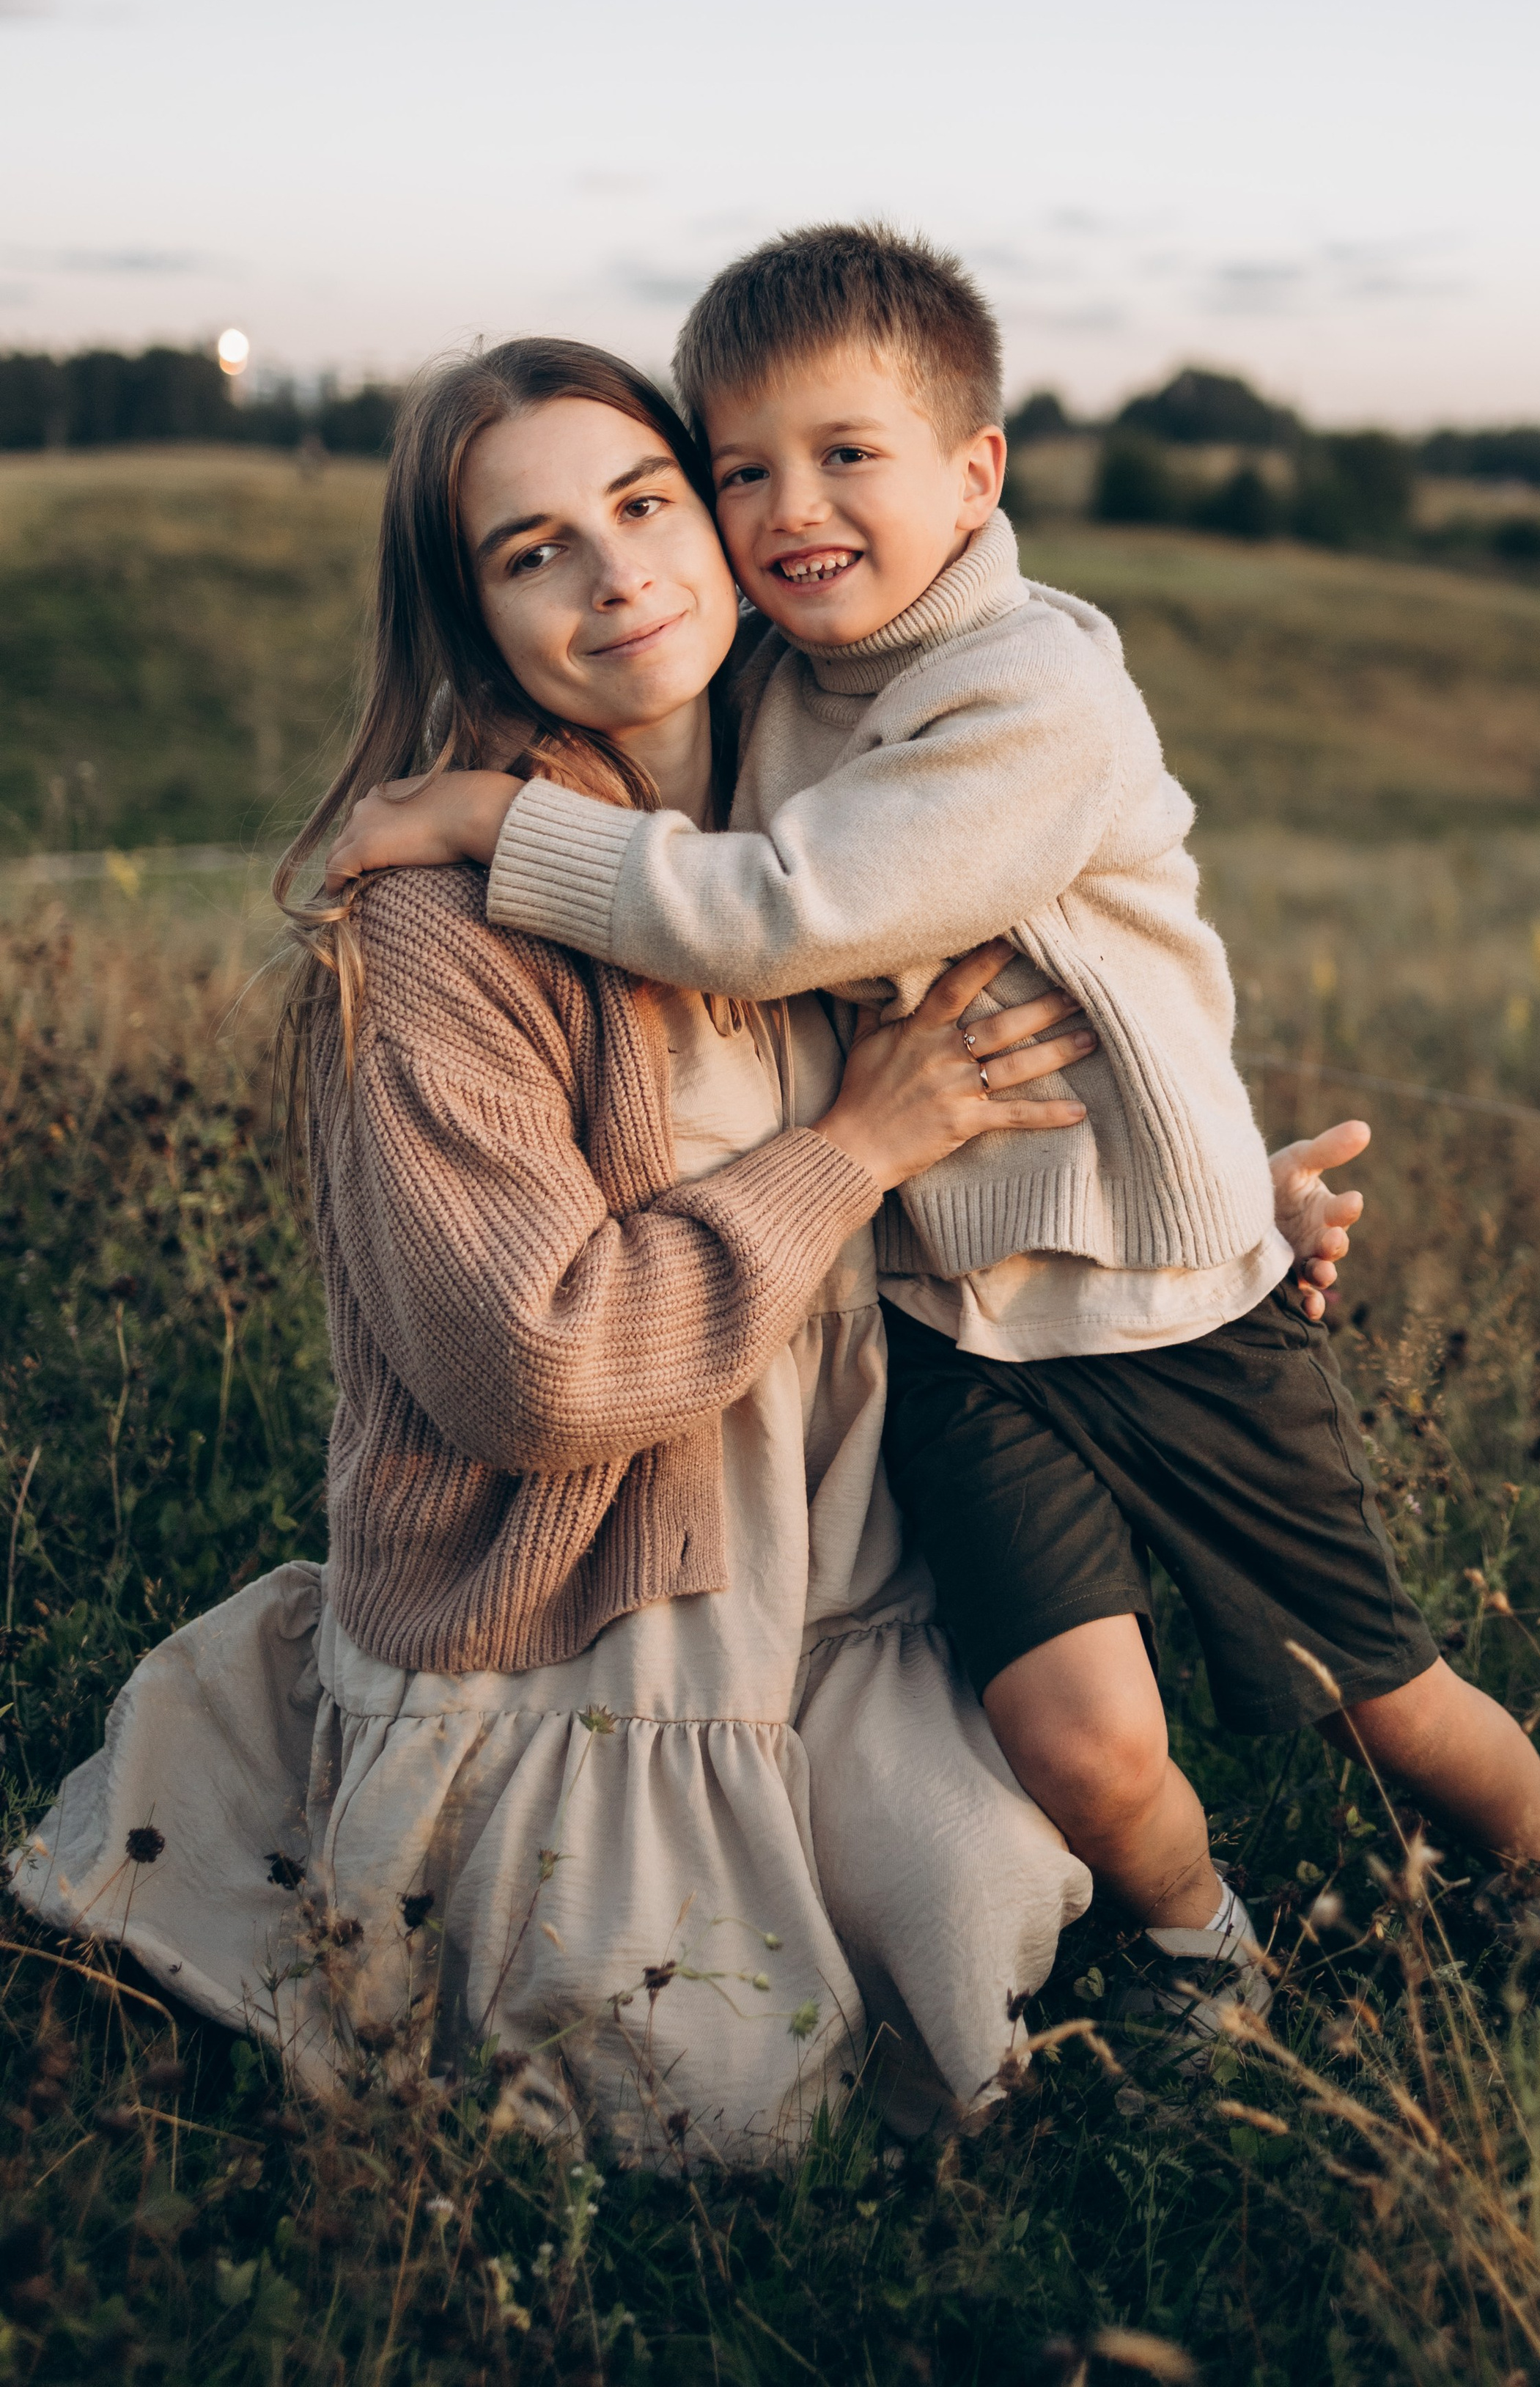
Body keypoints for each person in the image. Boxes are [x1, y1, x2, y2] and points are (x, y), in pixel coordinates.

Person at [330, 230, 1540, 2015]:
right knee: (1075, 1745)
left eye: (843, 456)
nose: (783, 511)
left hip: (1171, 1322)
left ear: (973, 469)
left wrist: (491, 822)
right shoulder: (776, 687)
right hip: (950, 1347)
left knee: (1371, 1687)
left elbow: (782, 912)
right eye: (744, 470)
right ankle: (1199, 1956)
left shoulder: (1028, 690)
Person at [11, 338, 1108, 2163]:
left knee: (980, 1921)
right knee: (701, 2116)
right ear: (472, 617)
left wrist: (1224, 1221)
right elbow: (535, 1366)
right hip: (598, 1629)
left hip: (838, 1587)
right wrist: (852, 1145)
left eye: (644, 502)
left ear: (715, 507)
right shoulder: (443, 928)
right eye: (534, 552)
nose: (617, 577)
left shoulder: (827, 850)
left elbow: (1000, 1108)